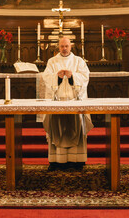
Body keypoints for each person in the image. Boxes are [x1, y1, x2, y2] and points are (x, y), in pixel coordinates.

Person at [42, 37, 93, 171]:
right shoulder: (52, 61)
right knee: (57, 130)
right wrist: (57, 78)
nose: (64, 49)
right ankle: (56, 161)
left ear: (71, 46)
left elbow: (85, 77)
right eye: (61, 46)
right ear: (58, 47)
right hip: (57, 102)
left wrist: (73, 77)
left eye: (66, 46)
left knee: (76, 129)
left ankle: (77, 161)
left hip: (74, 101)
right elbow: (46, 78)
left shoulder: (79, 61)